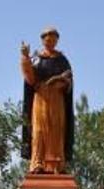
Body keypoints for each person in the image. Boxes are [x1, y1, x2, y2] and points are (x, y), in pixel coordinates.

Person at [21, 26, 74, 174]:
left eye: (53, 38)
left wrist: (61, 81)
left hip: (57, 99)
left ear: (57, 40)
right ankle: (37, 163)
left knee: (56, 130)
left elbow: (68, 79)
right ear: (42, 40)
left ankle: (56, 164)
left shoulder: (62, 60)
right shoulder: (36, 59)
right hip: (40, 98)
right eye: (47, 38)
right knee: (39, 131)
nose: (50, 40)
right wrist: (25, 57)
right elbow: (30, 78)